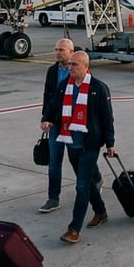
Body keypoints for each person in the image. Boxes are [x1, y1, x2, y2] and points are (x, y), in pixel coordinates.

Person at [41, 51, 115, 243]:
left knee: (81, 186)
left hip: (89, 144)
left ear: (85, 66)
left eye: (74, 65)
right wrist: (47, 119)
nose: (70, 68)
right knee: (88, 183)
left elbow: (107, 119)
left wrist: (110, 144)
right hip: (71, 142)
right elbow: (54, 104)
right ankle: (101, 212)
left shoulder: (98, 88)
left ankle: (74, 229)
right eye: (70, 64)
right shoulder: (64, 85)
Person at [38, 38, 95, 213]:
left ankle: (96, 180)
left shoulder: (83, 72)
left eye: (61, 50)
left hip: (76, 124)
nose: (58, 53)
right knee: (54, 162)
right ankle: (53, 198)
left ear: (71, 52)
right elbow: (48, 95)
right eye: (56, 50)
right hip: (57, 123)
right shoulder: (52, 71)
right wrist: (45, 117)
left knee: (78, 159)